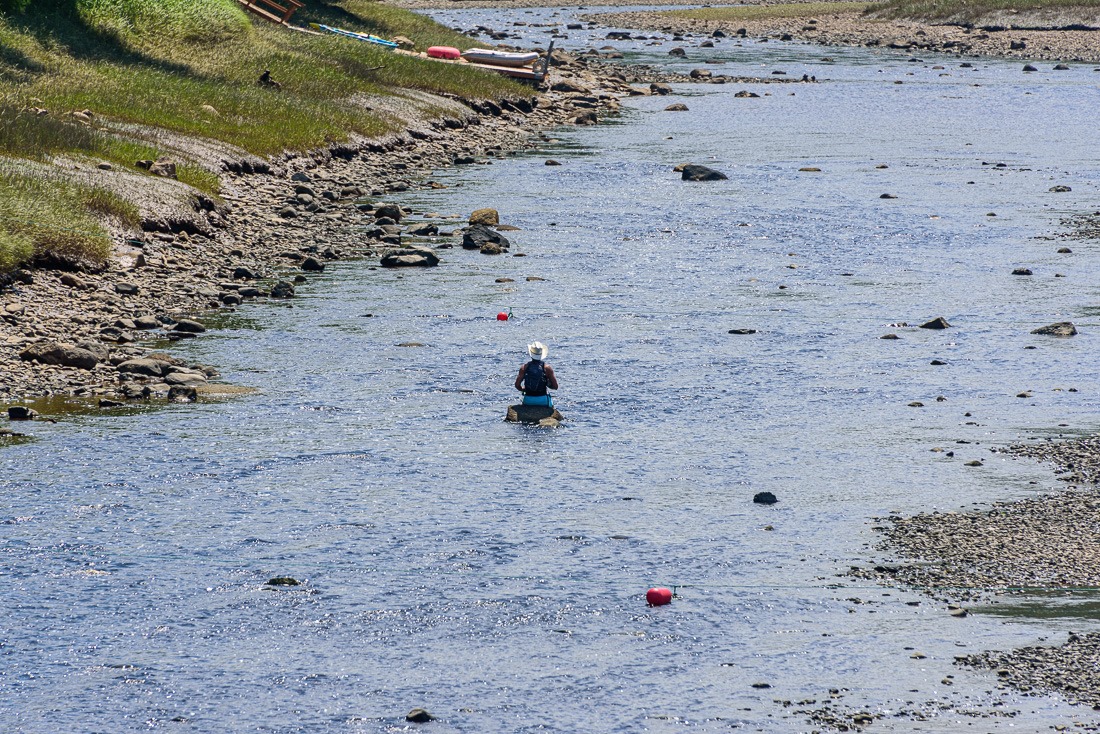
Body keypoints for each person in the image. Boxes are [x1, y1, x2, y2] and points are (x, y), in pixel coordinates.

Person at [515, 341, 558, 406]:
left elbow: (517, 385)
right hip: (543, 400)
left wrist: (523, 389)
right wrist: (547, 384)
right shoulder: (547, 368)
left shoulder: (524, 367)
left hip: (528, 400)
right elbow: (555, 386)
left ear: (531, 354)